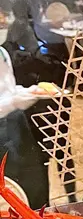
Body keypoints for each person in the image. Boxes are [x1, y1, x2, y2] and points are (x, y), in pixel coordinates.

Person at [0, 45, 51, 207]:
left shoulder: (2, 52)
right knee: (10, 185)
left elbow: (7, 89)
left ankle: (41, 216)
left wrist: (28, 91)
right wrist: (13, 102)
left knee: (34, 177)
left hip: (16, 121)